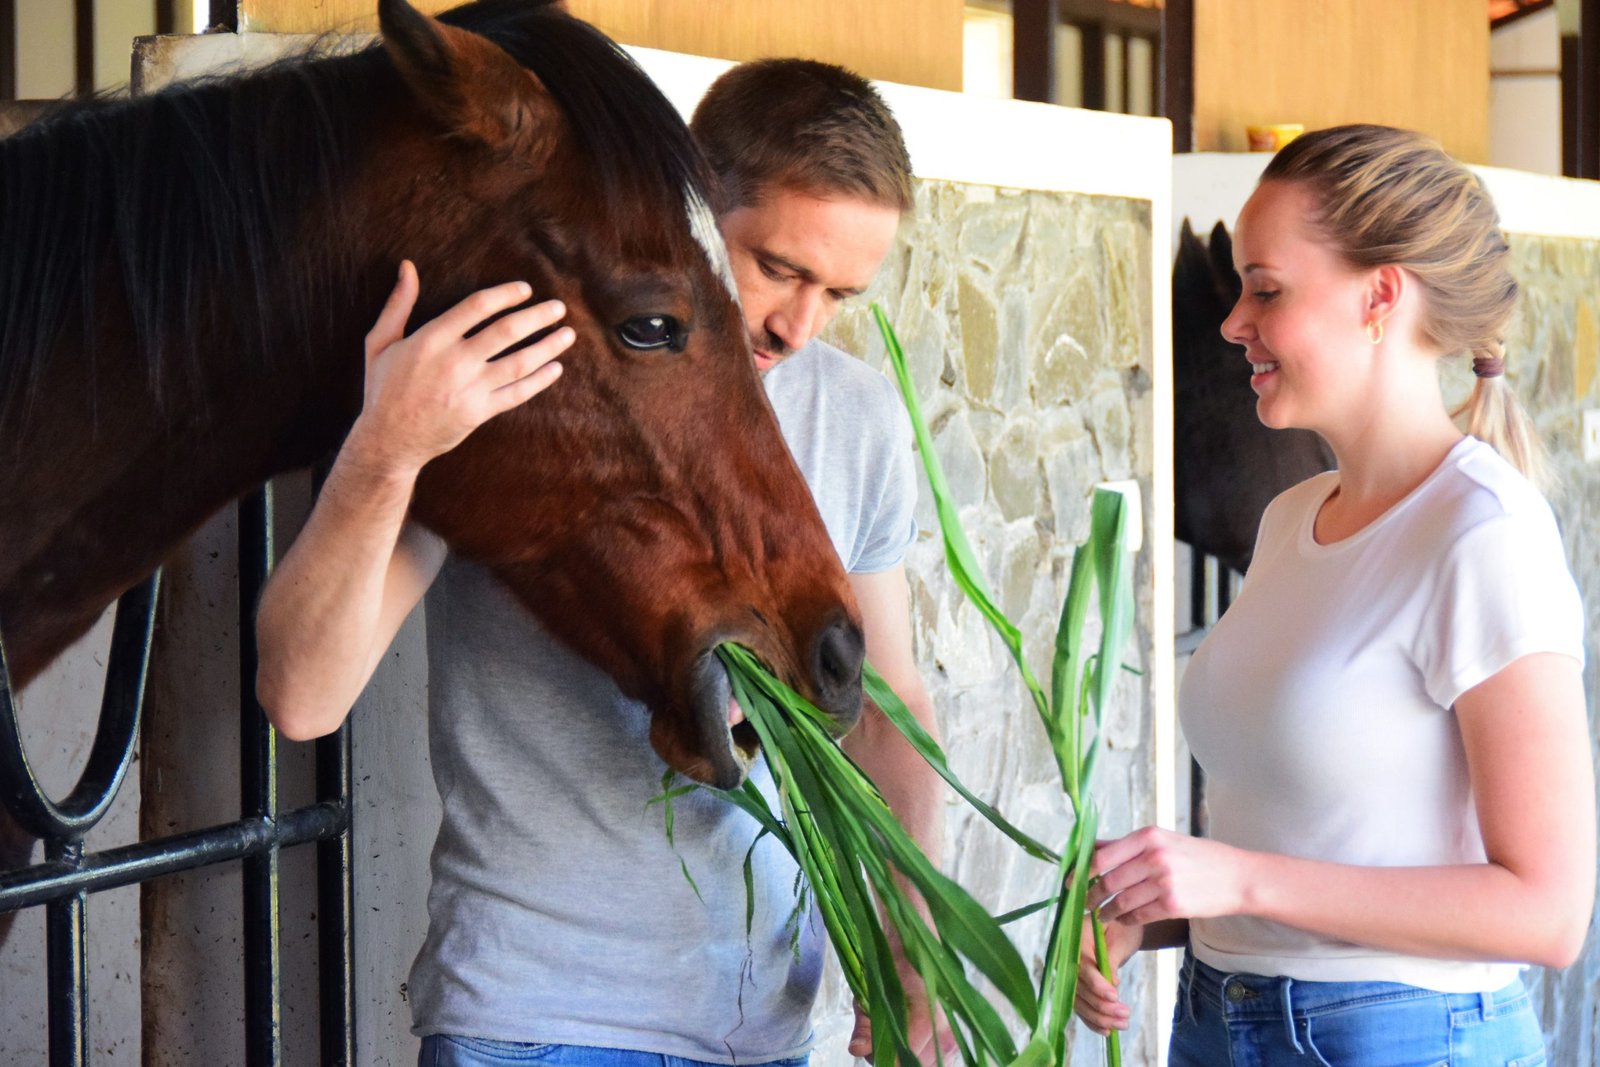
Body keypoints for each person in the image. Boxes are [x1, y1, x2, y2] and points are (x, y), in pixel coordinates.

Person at [256, 58, 954, 1067]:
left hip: (764, 1026)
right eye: (779, 266)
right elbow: (301, 695)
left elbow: (888, 703)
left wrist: (911, 934)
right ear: (689, 207)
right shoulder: (538, 379)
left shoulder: (855, 415)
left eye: (838, 291)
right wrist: (387, 445)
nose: (799, 325)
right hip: (537, 1016)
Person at [1075, 124, 1594, 1065]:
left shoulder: (1485, 533)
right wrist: (1156, 904)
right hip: (1220, 1017)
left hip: (1402, 1036)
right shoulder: (1291, 519)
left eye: (1266, 290)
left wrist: (1237, 878)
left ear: (1380, 296)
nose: (1234, 321)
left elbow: (1550, 910)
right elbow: (1304, 831)